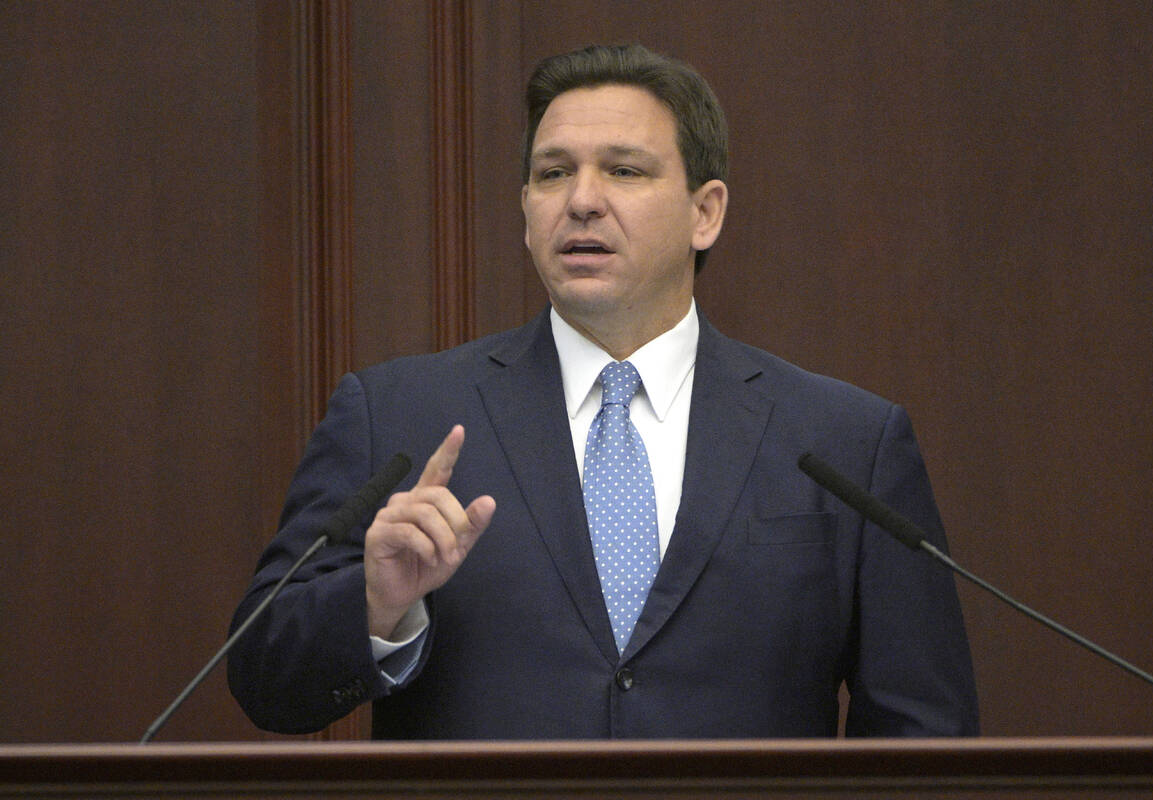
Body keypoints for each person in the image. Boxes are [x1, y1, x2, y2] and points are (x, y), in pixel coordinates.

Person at [228, 43, 979, 739]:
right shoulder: (397, 415)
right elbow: (262, 675)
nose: (581, 200)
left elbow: (924, 735)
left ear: (705, 212)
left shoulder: (844, 441)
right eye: (553, 173)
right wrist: (374, 603)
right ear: (526, 211)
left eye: (624, 171)